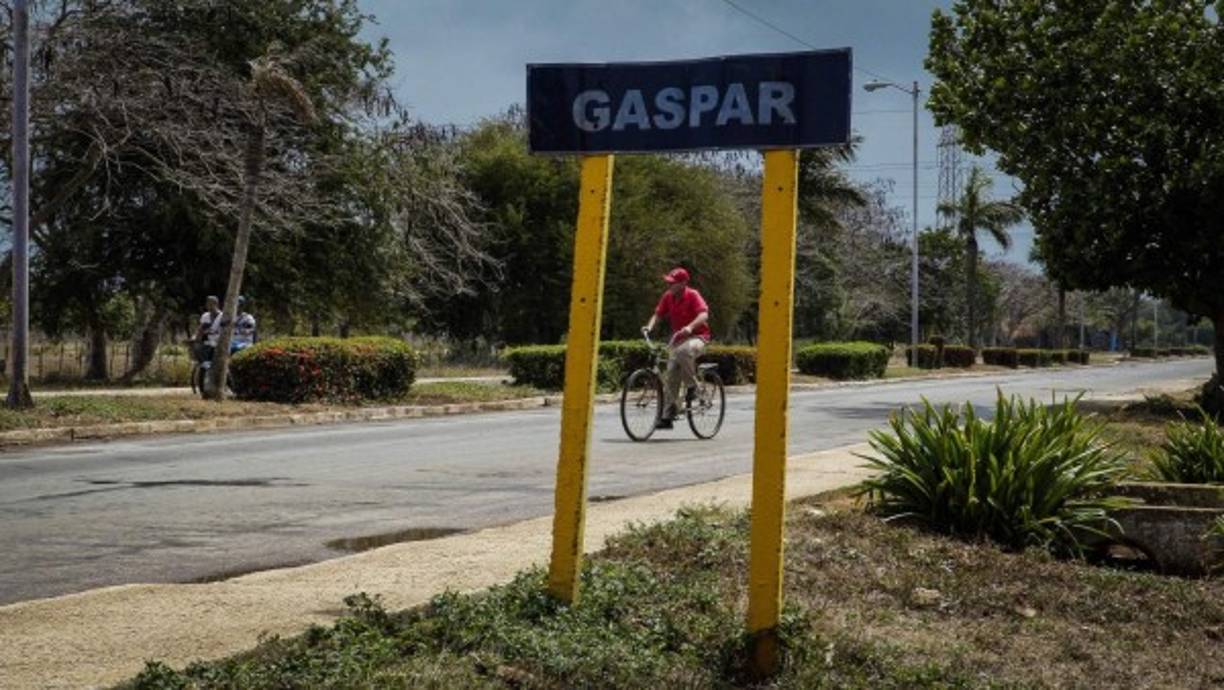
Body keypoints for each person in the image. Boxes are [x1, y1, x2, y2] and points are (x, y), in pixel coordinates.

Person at [642, 267, 711, 429]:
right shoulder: (668, 297)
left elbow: (704, 315)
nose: (670, 286)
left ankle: (692, 387)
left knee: (683, 351)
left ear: (683, 283)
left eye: (673, 283)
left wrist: (690, 327)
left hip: (698, 337)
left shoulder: (693, 295)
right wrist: (649, 327)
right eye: (669, 283)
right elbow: (658, 314)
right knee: (670, 374)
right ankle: (668, 416)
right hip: (679, 339)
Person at [195, 295, 223, 363]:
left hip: (219, 342)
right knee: (197, 348)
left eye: (211, 304)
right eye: (207, 304)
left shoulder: (222, 316)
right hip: (207, 341)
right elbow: (200, 330)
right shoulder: (205, 316)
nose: (208, 306)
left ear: (216, 304)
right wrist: (196, 339)